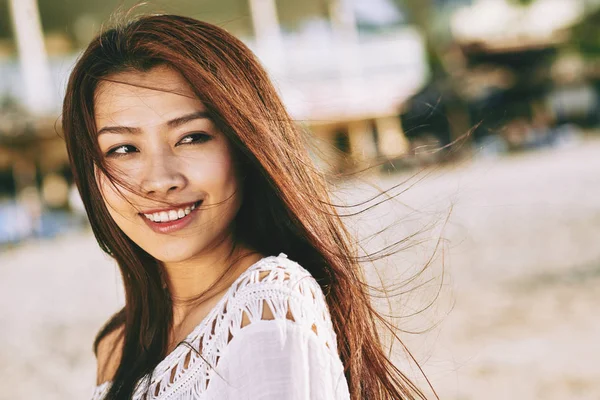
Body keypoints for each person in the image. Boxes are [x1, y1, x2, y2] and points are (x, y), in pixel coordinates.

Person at [62, 14, 430, 400]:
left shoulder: (266, 305)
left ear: (244, 146)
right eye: (123, 149)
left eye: (191, 138)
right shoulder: (117, 345)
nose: (160, 179)